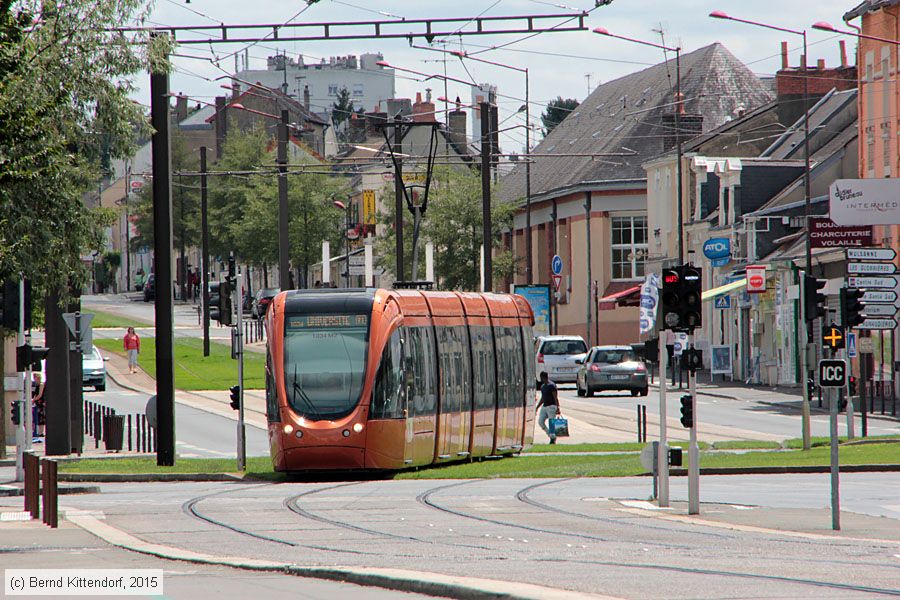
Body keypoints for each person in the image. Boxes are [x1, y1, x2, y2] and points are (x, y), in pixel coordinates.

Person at [535, 371, 561, 444]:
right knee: (540, 422)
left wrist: (558, 407)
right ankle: (551, 435)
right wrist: (537, 407)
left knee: (551, 422)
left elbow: (555, 397)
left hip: (551, 406)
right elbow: (543, 398)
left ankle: (553, 439)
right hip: (545, 406)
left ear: (543, 377)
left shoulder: (552, 386)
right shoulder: (543, 387)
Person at [31, 372, 45, 443]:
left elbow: (40, 394)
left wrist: (33, 400)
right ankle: (37, 432)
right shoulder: (35, 385)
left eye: (35, 377)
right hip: (36, 402)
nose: (34, 379)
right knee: (37, 417)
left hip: (41, 402)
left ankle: (41, 432)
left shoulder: (41, 384)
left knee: (41, 417)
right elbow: (34, 394)